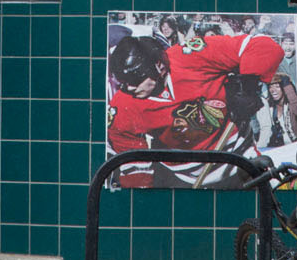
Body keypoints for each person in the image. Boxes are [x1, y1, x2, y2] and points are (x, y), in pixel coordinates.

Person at [106, 29, 283, 187]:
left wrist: (248, 85)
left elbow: (263, 45)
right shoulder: (123, 105)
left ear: (158, 66)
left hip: (240, 158)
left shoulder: (191, 55)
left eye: (135, 79)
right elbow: (134, 164)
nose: (129, 88)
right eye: (123, 82)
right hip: (184, 176)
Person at [256, 76, 297, 147]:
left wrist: (287, 86)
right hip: (278, 148)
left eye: (277, 86)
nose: (273, 90)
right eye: (270, 87)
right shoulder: (269, 108)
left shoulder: (290, 106)